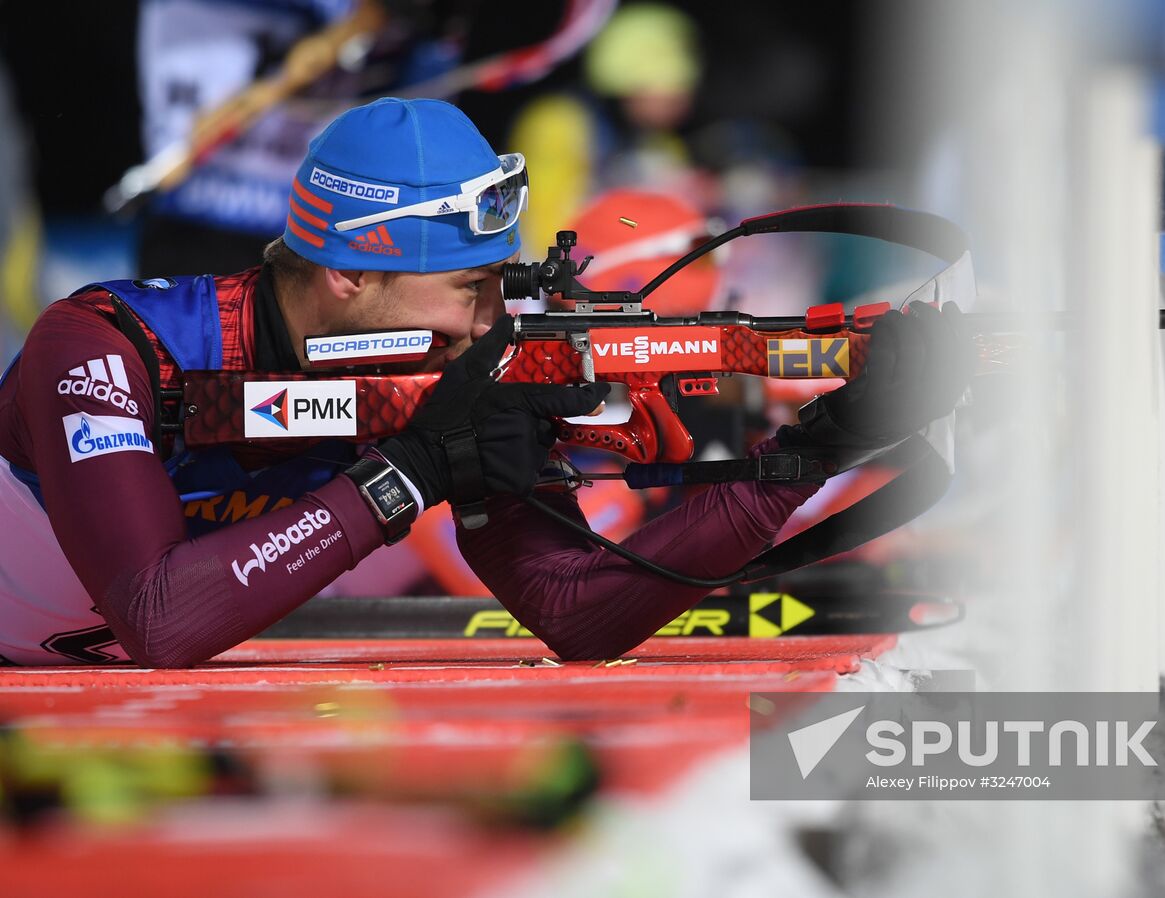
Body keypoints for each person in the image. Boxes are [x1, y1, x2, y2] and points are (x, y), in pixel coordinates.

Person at [0, 98, 970, 667]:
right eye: (468, 289)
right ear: (348, 273)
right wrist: (407, 475)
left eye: (498, 289)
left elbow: (576, 611)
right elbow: (159, 616)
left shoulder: (441, 371)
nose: (485, 324)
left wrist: (807, 456)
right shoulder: (105, 344)